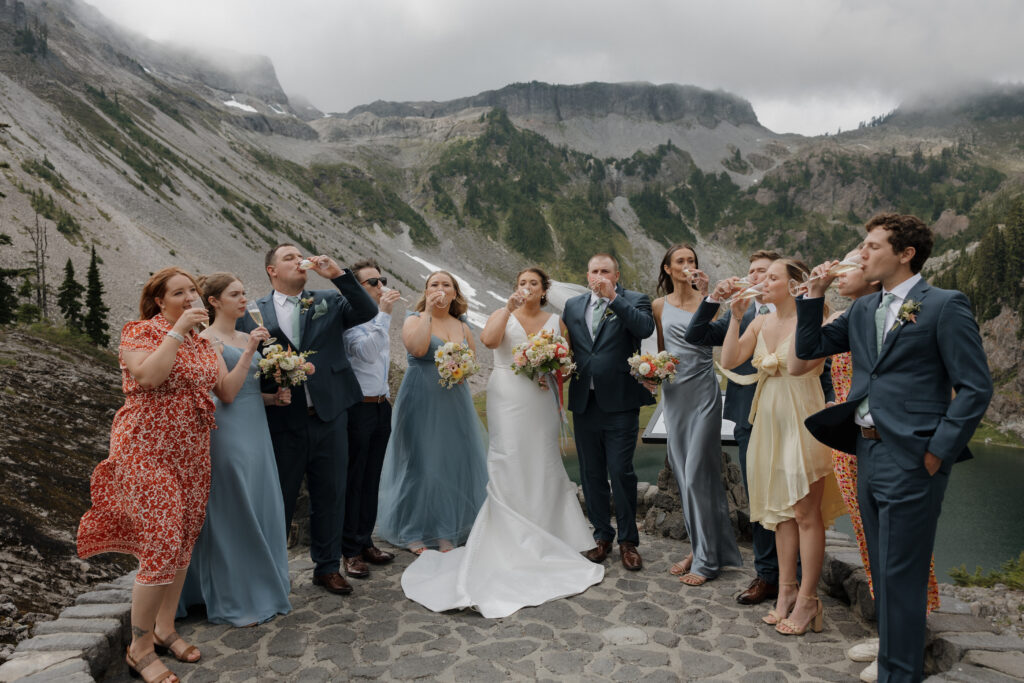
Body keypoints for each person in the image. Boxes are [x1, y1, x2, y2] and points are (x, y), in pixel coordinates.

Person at [795, 213, 993, 682]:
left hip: (913, 457)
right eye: (861, 245)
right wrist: (815, 295)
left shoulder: (944, 305)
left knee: (902, 577)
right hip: (866, 452)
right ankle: (894, 666)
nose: (860, 253)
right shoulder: (862, 310)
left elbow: (975, 388)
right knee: (884, 575)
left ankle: (898, 674)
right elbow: (808, 350)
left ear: (906, 254)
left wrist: (936, 451)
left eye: (871, 246)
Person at [401, 268, 604, 617]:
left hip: (540, 396)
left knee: (543, 459)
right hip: (507, 392)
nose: (526, 288)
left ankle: (550, 530)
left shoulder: (556, 321)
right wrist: (507, 308)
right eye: (522, 283)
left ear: (544, 292)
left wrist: (551, 369)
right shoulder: (501, 313)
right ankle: (507, 533)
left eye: (533, 284)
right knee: (506, 457)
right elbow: (491, 342)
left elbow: (566, 365)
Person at [77, 268, 222, 683]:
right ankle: (139, 647)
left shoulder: (201, 341)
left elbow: (214, 386)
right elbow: (148, 376)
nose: (190, 297)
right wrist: (176, 331)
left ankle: (164, 628)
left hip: (192, 453)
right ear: (160, 301)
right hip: (145, 451)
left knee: (182, 540)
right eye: (179, 292)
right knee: (160, 541)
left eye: (193, 290)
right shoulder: (140, 332)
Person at [238, 245, 378, 596]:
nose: (298, 260)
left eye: (299, 255)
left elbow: (367, 309)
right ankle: (273, 570)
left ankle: (327, 567)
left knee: (331, 494)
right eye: (288, 257)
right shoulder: (253, 311)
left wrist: (338, 276)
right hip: (283, 419)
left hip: (330, 414)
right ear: (271, 270)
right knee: (279, 497)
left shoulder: (326, 299)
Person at [720, 259, 846, 636]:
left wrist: (807, 306)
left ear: (794, 285)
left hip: (800, 419)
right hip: (768, 424)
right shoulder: (761, 320)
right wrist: (736, 318)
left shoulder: (820, 322)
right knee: (780, 515)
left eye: (772, 277)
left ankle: (809, 599)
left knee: (806, 513)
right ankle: (785, 592)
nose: (761, 282)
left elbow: (797, 367)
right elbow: (728, 361)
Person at [177, 273, 292, 627]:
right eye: (235, 294)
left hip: (256, 430)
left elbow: (245, 391)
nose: (244, 300)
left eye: (245, 293)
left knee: (258, 504)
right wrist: (249, 352)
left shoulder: (245, 335)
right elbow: (225, 393)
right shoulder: (207, 340)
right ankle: (233, 596)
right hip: (227, 433)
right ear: (213, 302)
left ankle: (261, 585)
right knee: (235, 510)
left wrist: (274, 397)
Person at [683, 250, 783, 604]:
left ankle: (795, 575)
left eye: (764, 272)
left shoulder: (797, 311)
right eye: (752, 271)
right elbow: (696, 334)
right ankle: (767, 575)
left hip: (789, 415)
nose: (755, 277)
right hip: (749, 417)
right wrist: (714, 300)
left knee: (791, 497)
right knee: (759, 497)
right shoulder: (742, 314)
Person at [376, 271, 488, 552]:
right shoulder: (415, 318)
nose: (440, 288)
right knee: (420, 464)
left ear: (454, 293)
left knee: (450, 463)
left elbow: (472, 360)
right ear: (426, 291)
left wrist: (462, 368)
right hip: (421, 396)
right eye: (433, 284)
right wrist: (427, 311)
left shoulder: (461, 326)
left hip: (454, 400)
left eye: (445, 285)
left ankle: (445, 532)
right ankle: (413, 532)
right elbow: (417, 347)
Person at [651, 244, 743, 586]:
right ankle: (700, 547)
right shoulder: (659, 306)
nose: (687, 265)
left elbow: (717, 340)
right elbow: (660, 352)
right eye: (681, 261)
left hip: (704, 392)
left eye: (692, 260)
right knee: (683, 474)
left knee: (697, 475)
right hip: (673, 395)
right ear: (668, 269)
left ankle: (706, 560)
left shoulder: (711, 305)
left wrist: (710, 297)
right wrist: (651, 372)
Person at [562, 253, 656, 571]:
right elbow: (571, 347)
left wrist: (613, 298)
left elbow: (643, 329)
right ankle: (602, 536)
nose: (599, 275)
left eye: (606, 271)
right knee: (591, 474)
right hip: (584, 402)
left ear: (616, 275)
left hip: (620, 402)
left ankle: (628, 541)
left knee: (620, 471)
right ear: (587, 275)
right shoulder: (573, 306)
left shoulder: (635, 299)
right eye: (594, 271)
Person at [340, 260, 402, 579]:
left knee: (372, 477)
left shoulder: (378, 318)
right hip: (357, 408)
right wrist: (385, 314)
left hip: (380, 406)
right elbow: (365, 353)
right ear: (357, 288)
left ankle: (365, 541)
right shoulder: (352, 320)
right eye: (372, 283)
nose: (380, 287)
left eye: (382, 280)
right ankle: (349, 550)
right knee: (354, 478)